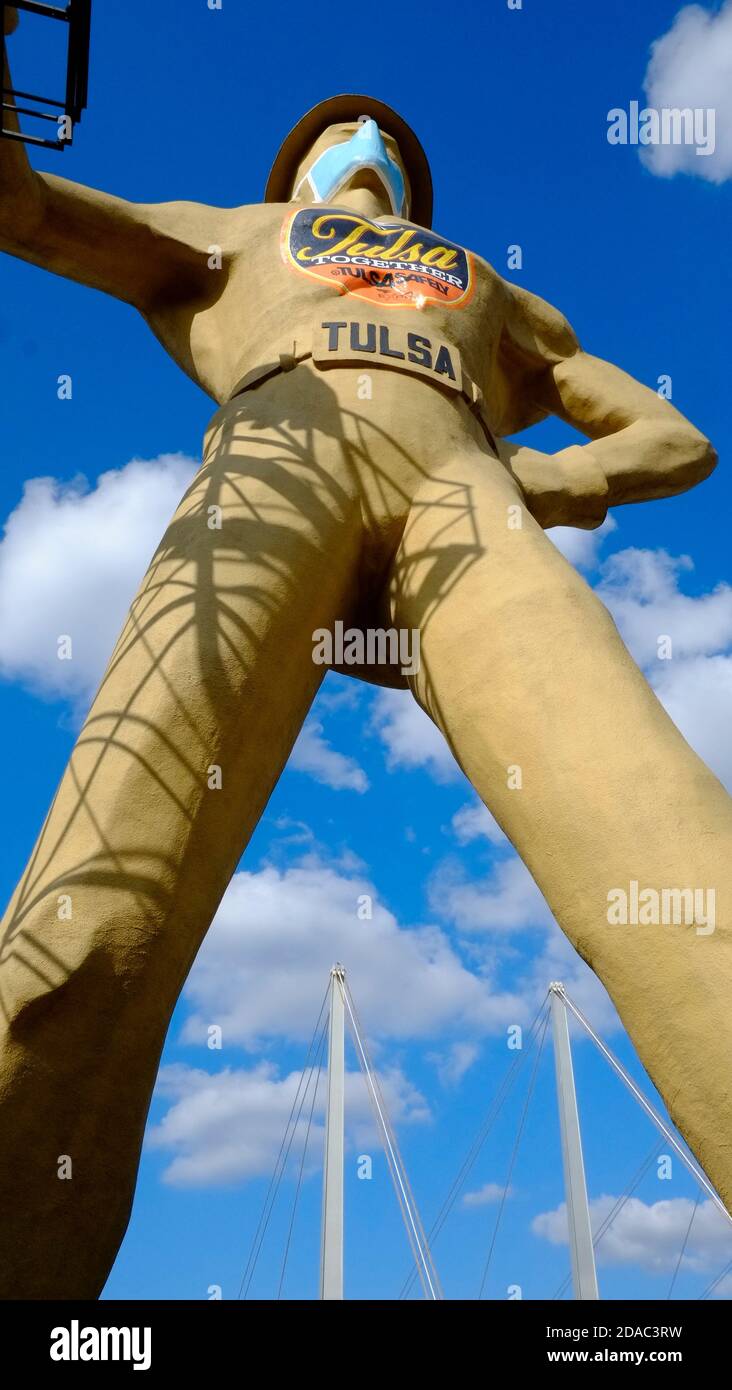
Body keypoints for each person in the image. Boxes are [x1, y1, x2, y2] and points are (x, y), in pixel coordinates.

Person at [1, 7, 729, 1297]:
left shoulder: (488, 288)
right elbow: (27, 208)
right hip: (275, 467)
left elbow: (673, 439)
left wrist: (549, 481)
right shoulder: (236, 232)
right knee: (93, 923)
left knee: (683, 868)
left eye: (391, 136)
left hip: (467, 500)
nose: (370, 140)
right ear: (294, 173)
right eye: (344, 131)